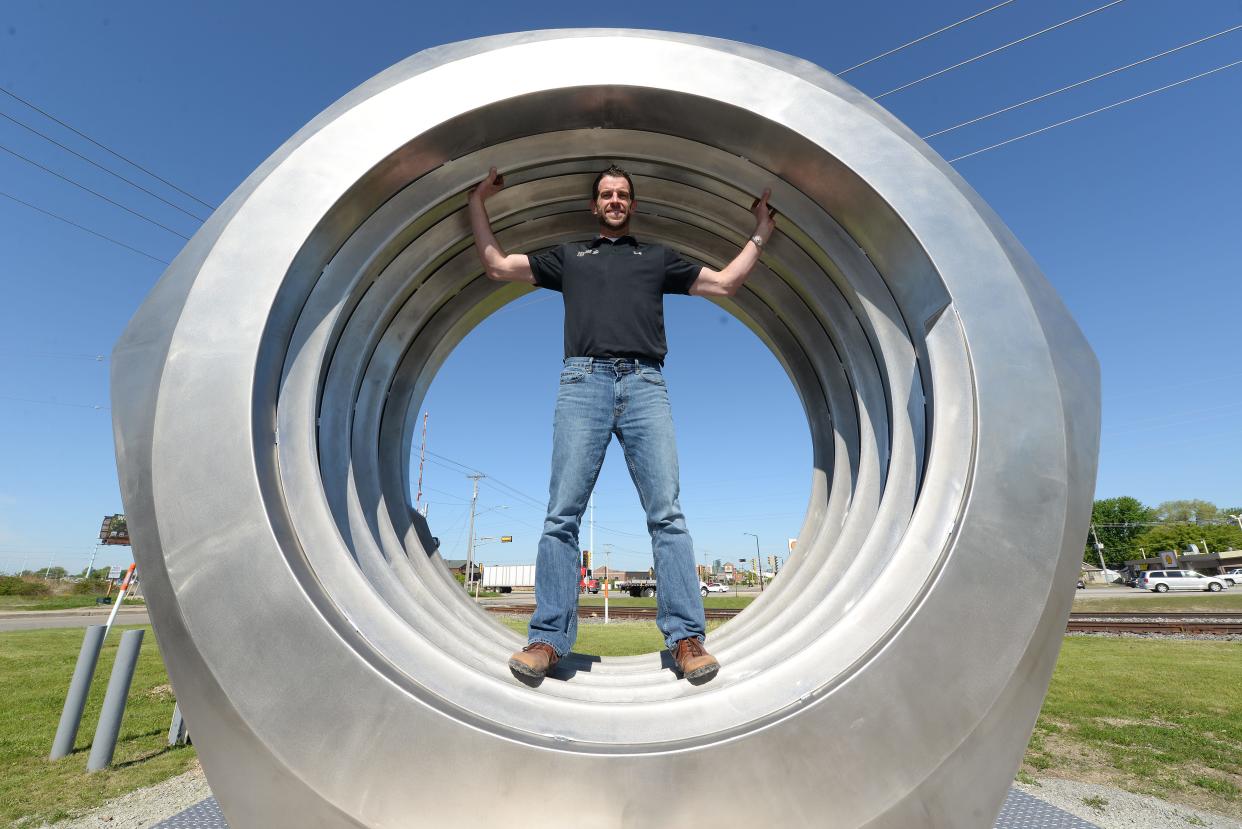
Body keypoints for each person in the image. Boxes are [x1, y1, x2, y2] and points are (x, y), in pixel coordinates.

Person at [468, 164, 775, 681]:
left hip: (644, 385)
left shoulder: (655, 259)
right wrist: (478, 200)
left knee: (667, 516)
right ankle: (546, 641)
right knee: (562, 515)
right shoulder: (569, 257)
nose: (614, 200)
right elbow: (497, 265)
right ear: (595, 205)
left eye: (623, 195)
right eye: (606, 194)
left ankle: (687, 641)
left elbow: (724, 284)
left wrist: (762, 229)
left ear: (632, 205)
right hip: (582, 382)